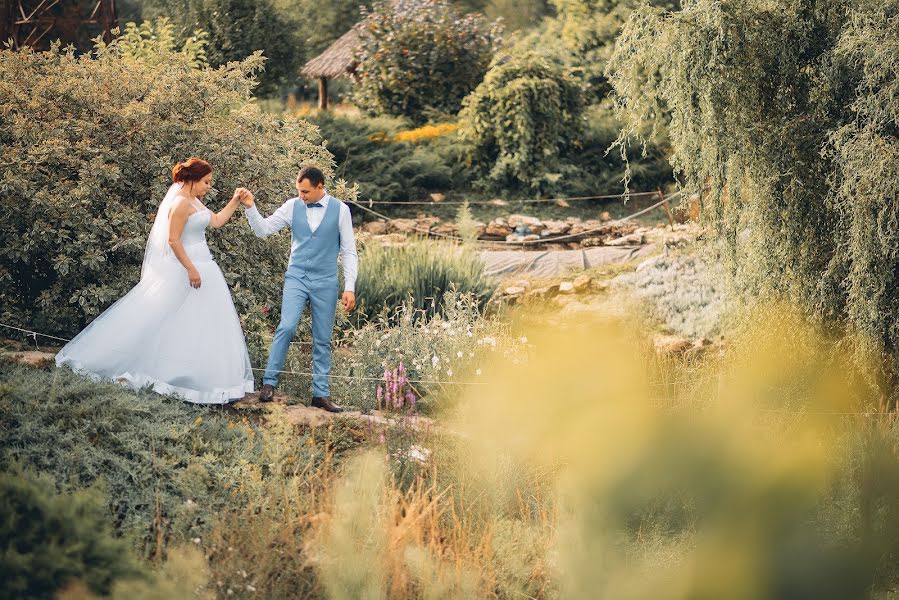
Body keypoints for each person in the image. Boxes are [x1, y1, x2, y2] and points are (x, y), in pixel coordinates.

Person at [56, 158, 254, 404]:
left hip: (206, 266)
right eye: (206, 182)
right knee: (164, 317)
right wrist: (191, 268)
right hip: (189, 268)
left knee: (199, 322)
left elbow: (215, 222)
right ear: (192, 180)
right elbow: (173, 240)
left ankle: (196, 375)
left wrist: (235, 200)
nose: (208, 187)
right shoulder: (181, 204)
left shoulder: (195, 200)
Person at [240, 166, 358, 412]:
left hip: (326, 281)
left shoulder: (341, 210)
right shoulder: (292, 206)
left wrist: (350, 287)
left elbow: (348, 251)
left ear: (320, 187)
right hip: (297, 277)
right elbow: (263, 230)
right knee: (287, 325)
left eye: (305, 191)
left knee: (323, 338)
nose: (301, 196)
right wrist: (251, 207)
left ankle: (320, 394)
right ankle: (269, 383)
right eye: (299, 191)